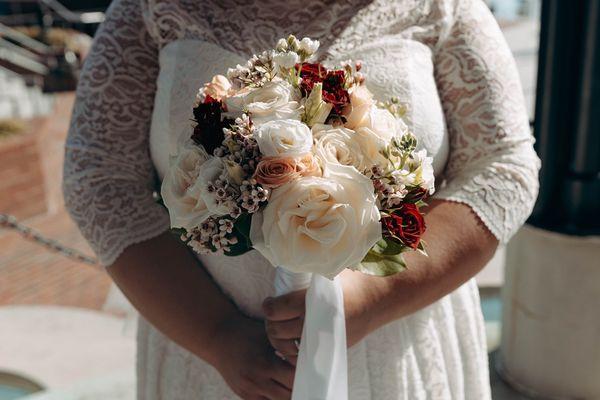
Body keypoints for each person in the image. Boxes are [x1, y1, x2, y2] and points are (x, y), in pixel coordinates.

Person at [63, 0, 540, 398]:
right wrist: (216, 335)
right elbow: (100, 180)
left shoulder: (442, 5)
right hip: (209, 357)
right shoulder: (149, 9)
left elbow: (501, 168)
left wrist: (374, 297)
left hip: (396, 351)